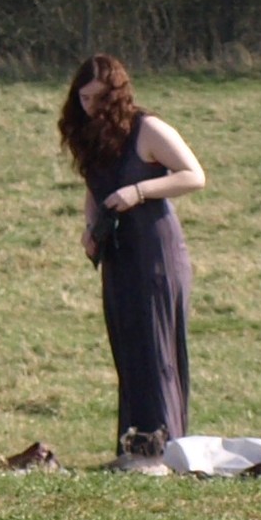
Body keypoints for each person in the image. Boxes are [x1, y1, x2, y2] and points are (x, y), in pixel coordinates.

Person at [57, 54, 205, 459]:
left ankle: (165, 449)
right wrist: (91, 228)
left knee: (156, 351)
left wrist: (139, 191)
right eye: (84, 98)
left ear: (117, 95)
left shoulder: (148, 129)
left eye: (99, 98)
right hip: (118, 253)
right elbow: (95, 189)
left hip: (156, 252)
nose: (91, 106)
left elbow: (194, 175)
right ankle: (135, 447)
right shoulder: (91, 133)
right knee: (129, 347)